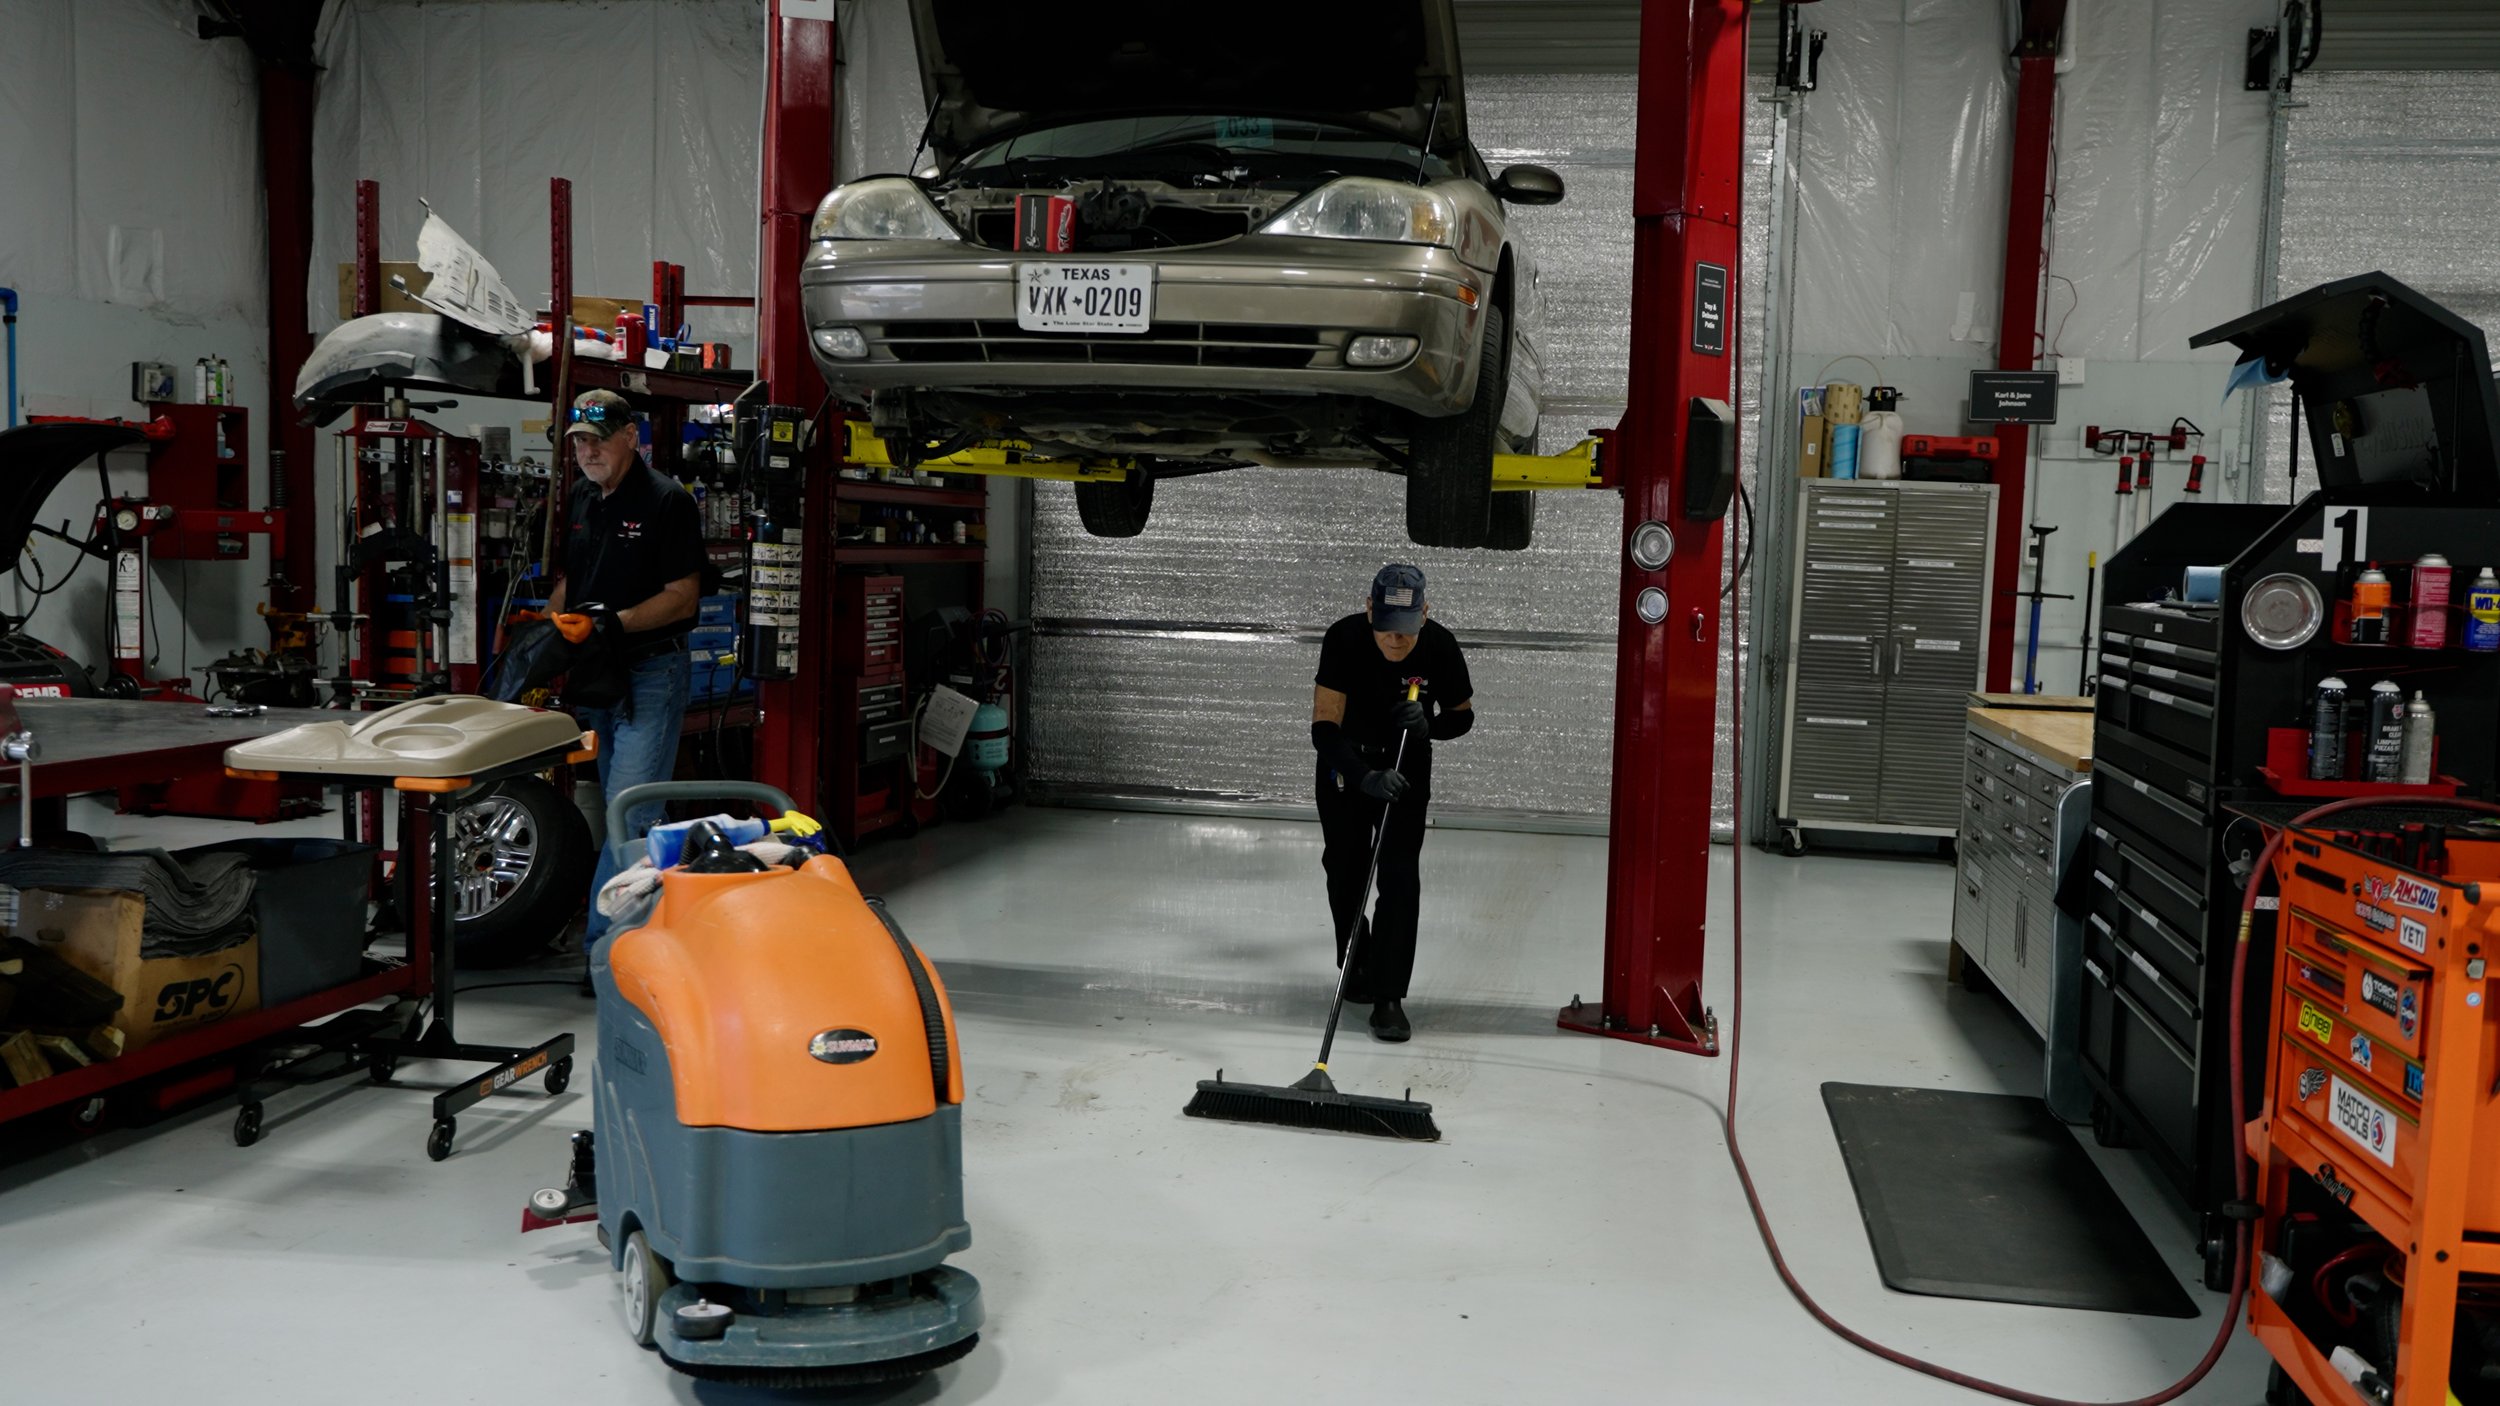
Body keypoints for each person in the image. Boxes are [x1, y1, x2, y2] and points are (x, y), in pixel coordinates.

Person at [547, 388, 706, 942]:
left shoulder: (667, 501)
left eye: (598, 440)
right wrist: (546, 626)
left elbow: (683, 598)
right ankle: (652, 931)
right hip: (599, 675)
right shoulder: (582, 497)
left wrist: (611, 623)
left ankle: (604, 949)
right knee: (631, 811)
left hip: (652, 673)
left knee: (630, 811)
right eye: (579, 443)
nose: (588, 452)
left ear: (631, 437)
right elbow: (572, 579)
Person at [1309, 563, 1476, 1042]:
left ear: (1424, 613)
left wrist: (1429, 725)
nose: (1396, 640)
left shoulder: (1440, 646)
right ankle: (1356, 962)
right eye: (1386, 628)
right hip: (1348, 767)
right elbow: (1324, 728)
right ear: (1369, 610)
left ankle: (1389, 997)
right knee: (1345, 870)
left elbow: (1462, 716)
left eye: (1406, 629)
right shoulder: (1343, 639)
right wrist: (1364, 778)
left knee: (1400, 878)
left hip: (1406, 768)